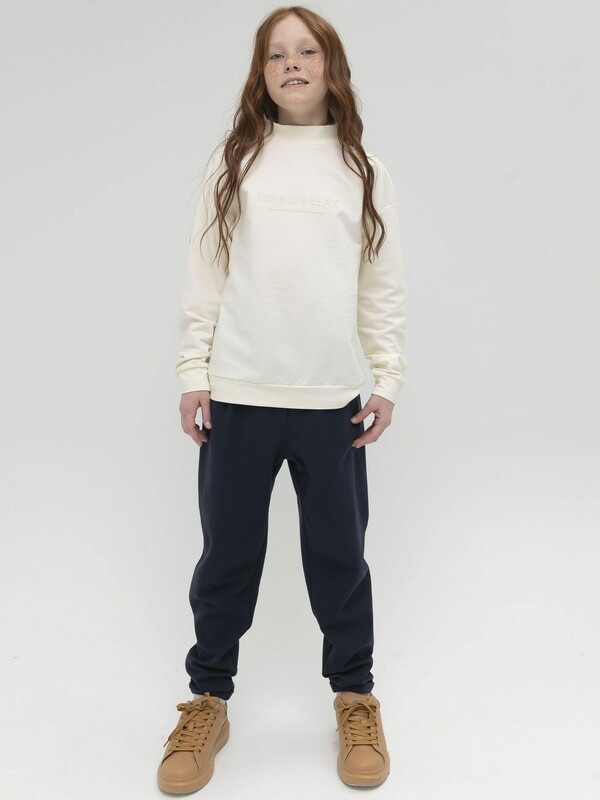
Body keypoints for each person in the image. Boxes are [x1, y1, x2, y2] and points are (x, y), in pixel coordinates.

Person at [157, 6, 407, 794]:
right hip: (239, 397)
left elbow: (380, 286)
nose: (291, 65)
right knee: (227, 556)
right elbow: (205, 272)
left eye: (307, 52)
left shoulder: (362, 171)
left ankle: (355, 697)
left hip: (331, 403)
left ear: (332, 67)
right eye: (276, 55)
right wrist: (194, 373)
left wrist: (386, 378)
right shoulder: (235, 162)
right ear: (260, 74)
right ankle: (207, 701)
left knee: (339, 558)